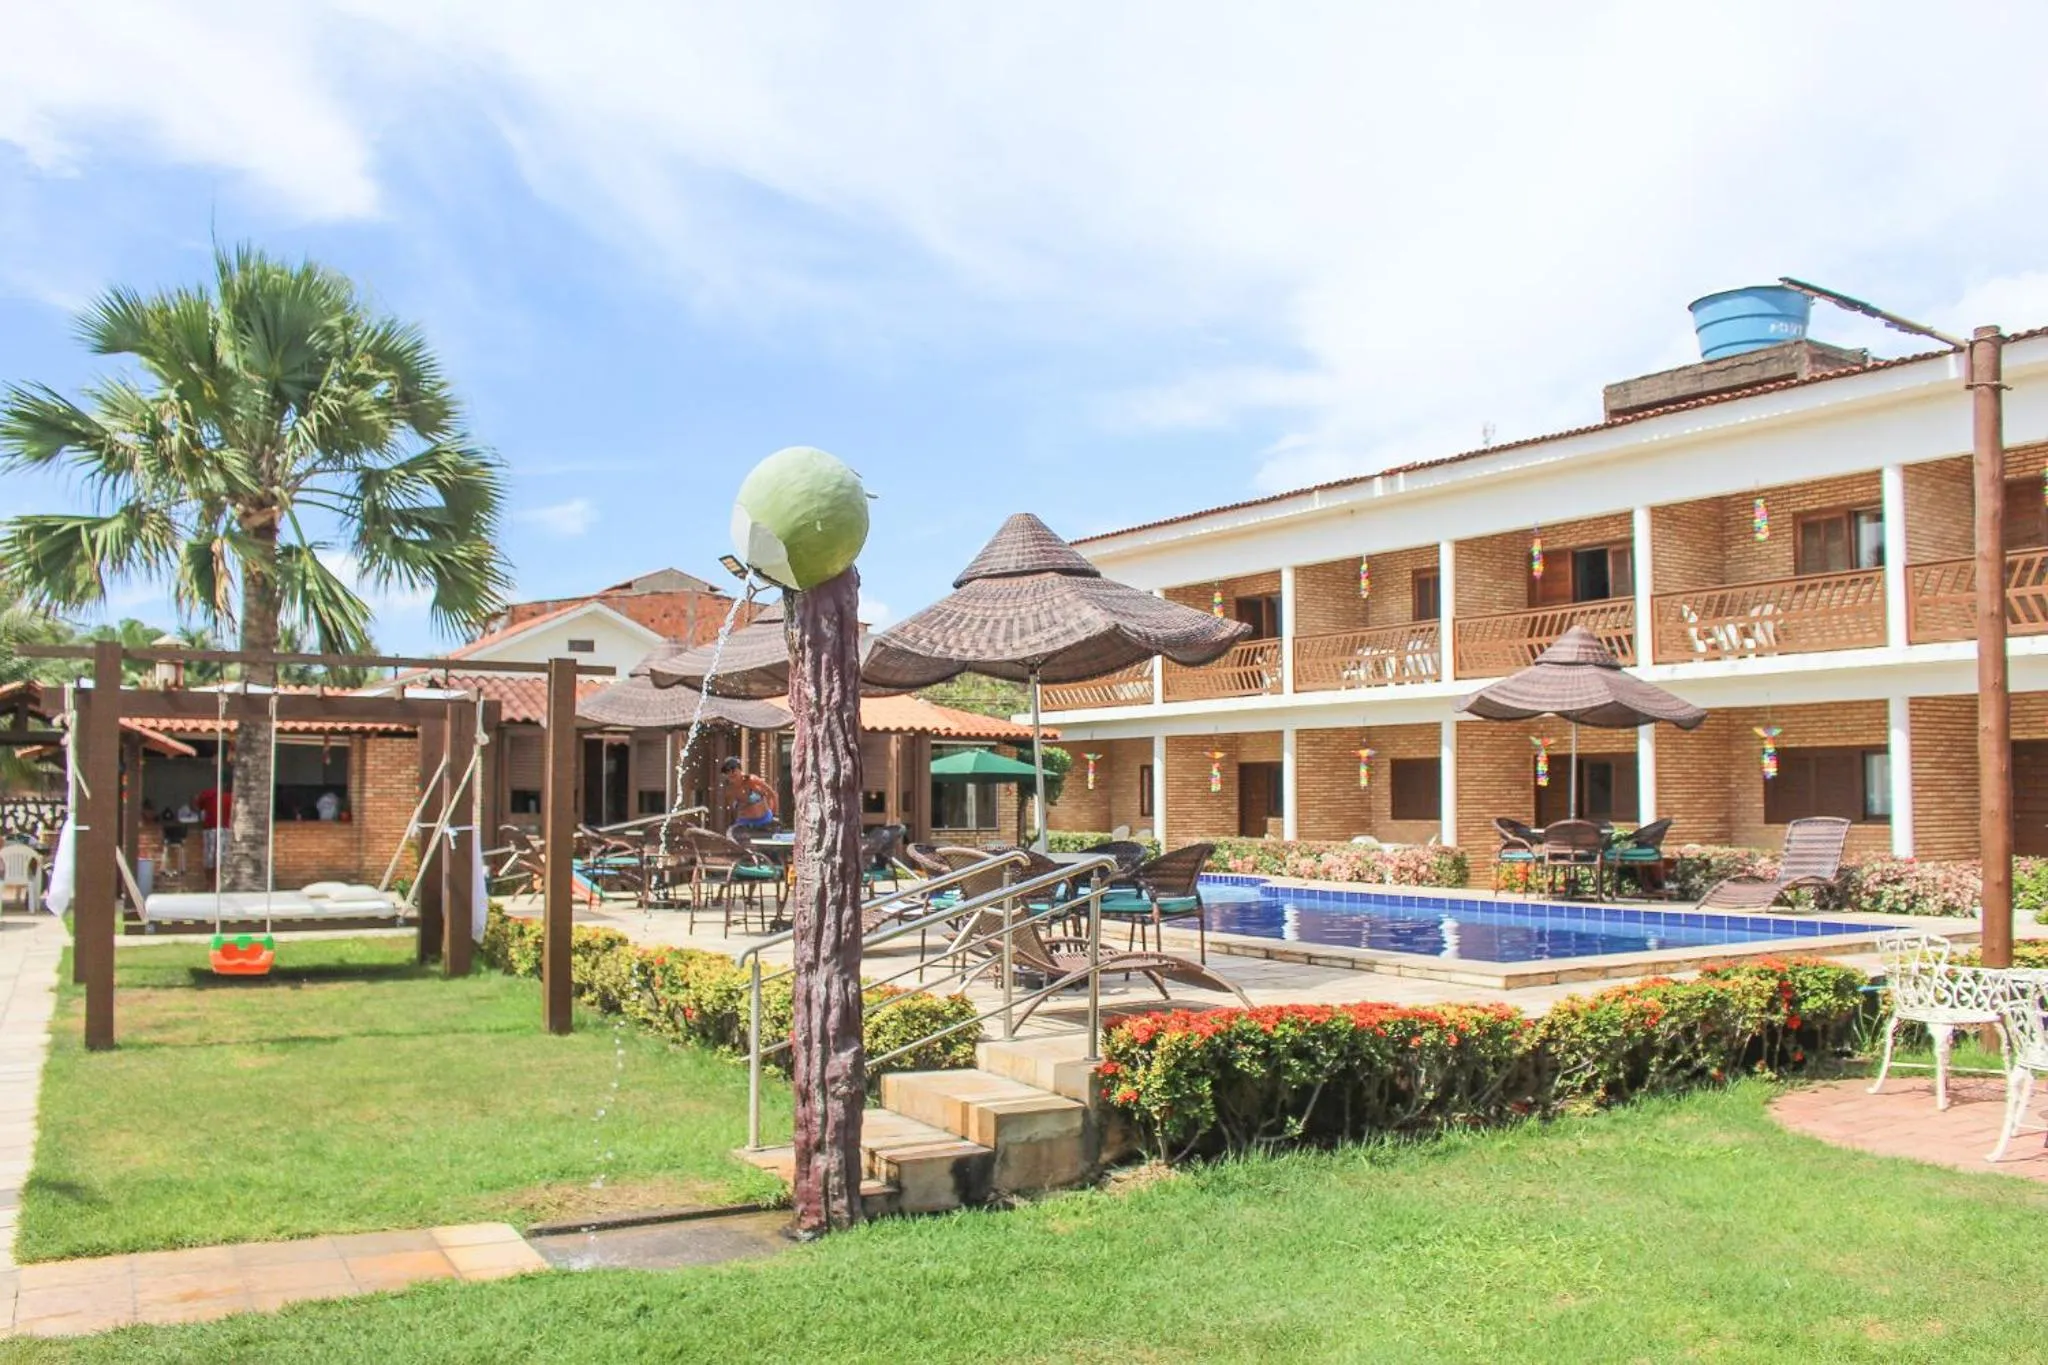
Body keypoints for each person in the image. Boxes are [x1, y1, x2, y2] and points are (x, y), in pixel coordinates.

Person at [719, 756, 778, 840]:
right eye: (727, 771)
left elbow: (772, 794)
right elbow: (733, 810)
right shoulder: (729, 790)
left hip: (765, 821)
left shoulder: (752, 780)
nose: (731, 773)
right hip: (745, 823)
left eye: (733, 769)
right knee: (731, 837)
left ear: (740, 769)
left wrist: (774, 814)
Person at [194, 775, 232, 876]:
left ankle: (210, 881)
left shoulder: (207, 795)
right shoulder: (231, 797)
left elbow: (196, 805)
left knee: (210, 857)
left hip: (210, 828)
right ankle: (218, 880)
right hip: (224, 829)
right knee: (222, 857)